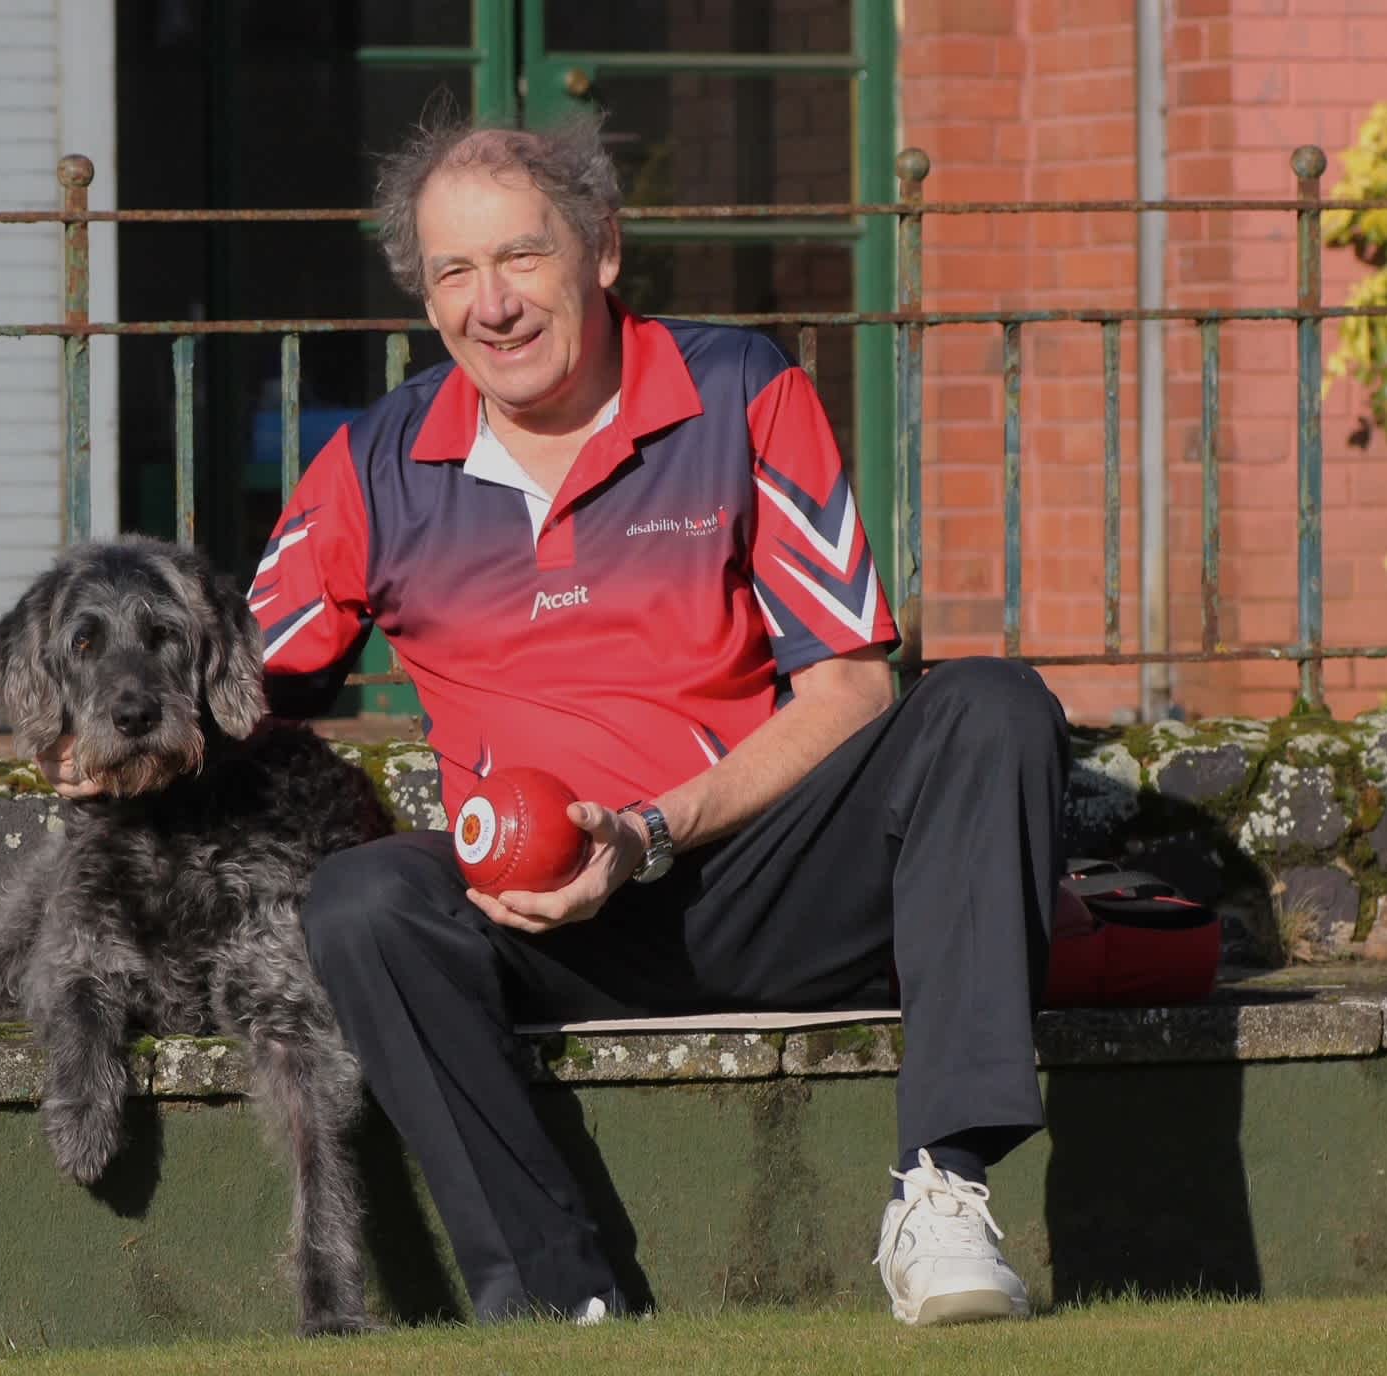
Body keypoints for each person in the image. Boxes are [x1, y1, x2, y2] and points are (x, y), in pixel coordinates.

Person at [242, 113, 1069, 1328]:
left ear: (604, 249)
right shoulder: (374, 462)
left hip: (763, 879)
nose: (492, 304)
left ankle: (940, 1189)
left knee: (993, 705)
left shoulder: (741, 387)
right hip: (528, 925)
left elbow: (852, 685)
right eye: (453, 273)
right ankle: (556, 1294)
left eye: (521, 257)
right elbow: (230, 687)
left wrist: (650, 829)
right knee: (362, 900)